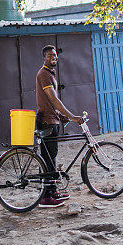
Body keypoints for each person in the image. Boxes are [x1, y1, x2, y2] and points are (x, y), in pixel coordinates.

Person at [36, 45, 84, 208]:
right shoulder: (44, 74)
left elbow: (51, 104)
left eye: (55, 55)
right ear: (44, 58)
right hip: (47, 122)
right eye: (49, 55)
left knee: (52, 157)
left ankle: (53, 191)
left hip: (53, 120)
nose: (53, 58)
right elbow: (54, 100)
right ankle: (46, 197)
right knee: (48, 159)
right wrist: (72, 116)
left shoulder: (50, 74)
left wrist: (63, 117)